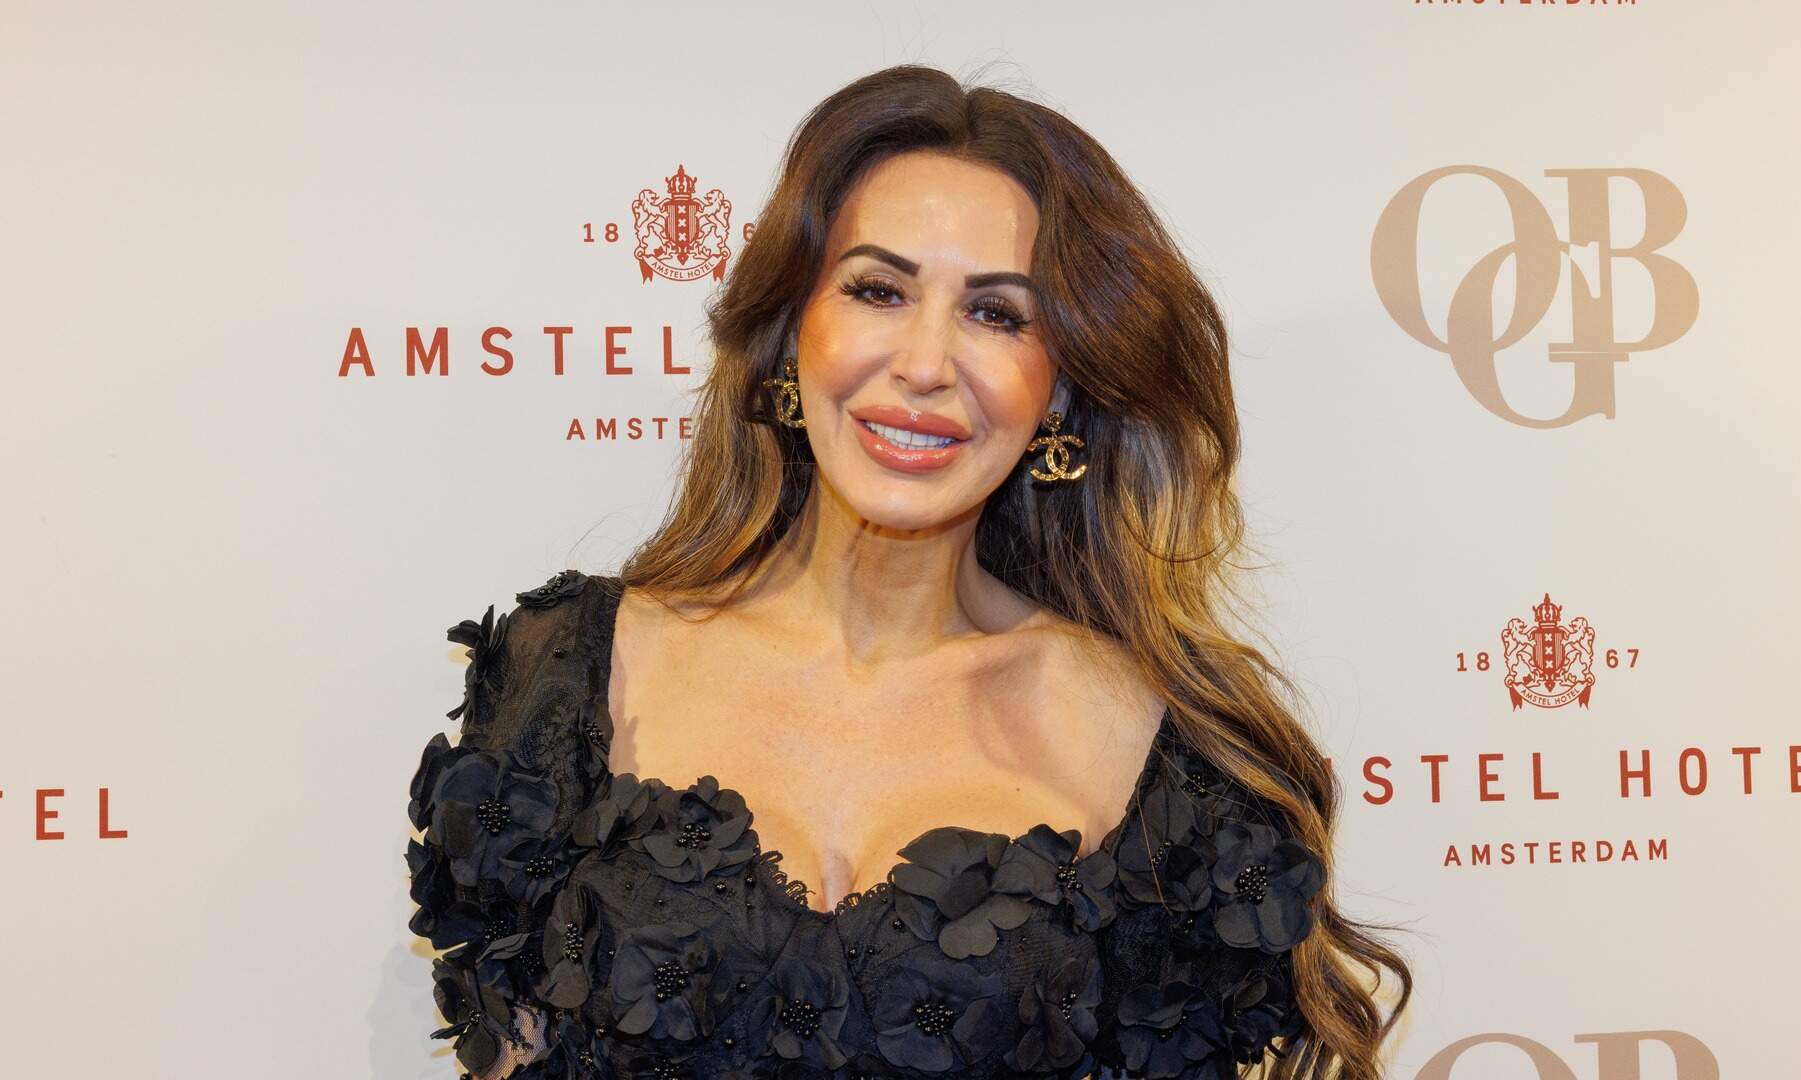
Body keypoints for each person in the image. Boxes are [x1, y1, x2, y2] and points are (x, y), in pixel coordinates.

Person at [405, 64, 1410, 1079]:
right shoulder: (574, 675)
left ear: (1059, 390)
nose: (926, 365)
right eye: (878, 291)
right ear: (792, 332)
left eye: (998, 314)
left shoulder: (1161, 752)